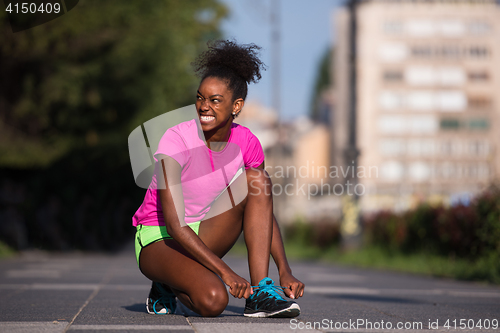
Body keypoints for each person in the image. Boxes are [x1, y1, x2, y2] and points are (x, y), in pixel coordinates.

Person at [132, 40, 305, 318]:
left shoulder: (247, 142)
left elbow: (262, 207)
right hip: (160, 237)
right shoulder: (176, 139)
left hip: (204, 231)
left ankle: (260, 293)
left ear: (236, 105)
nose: (203, 106)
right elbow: (176, 226)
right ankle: (166, 280)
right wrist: (226, 273)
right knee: (213, 302)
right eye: (200, 97)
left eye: (215, 100)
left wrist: (285, 270)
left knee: (257, 180)